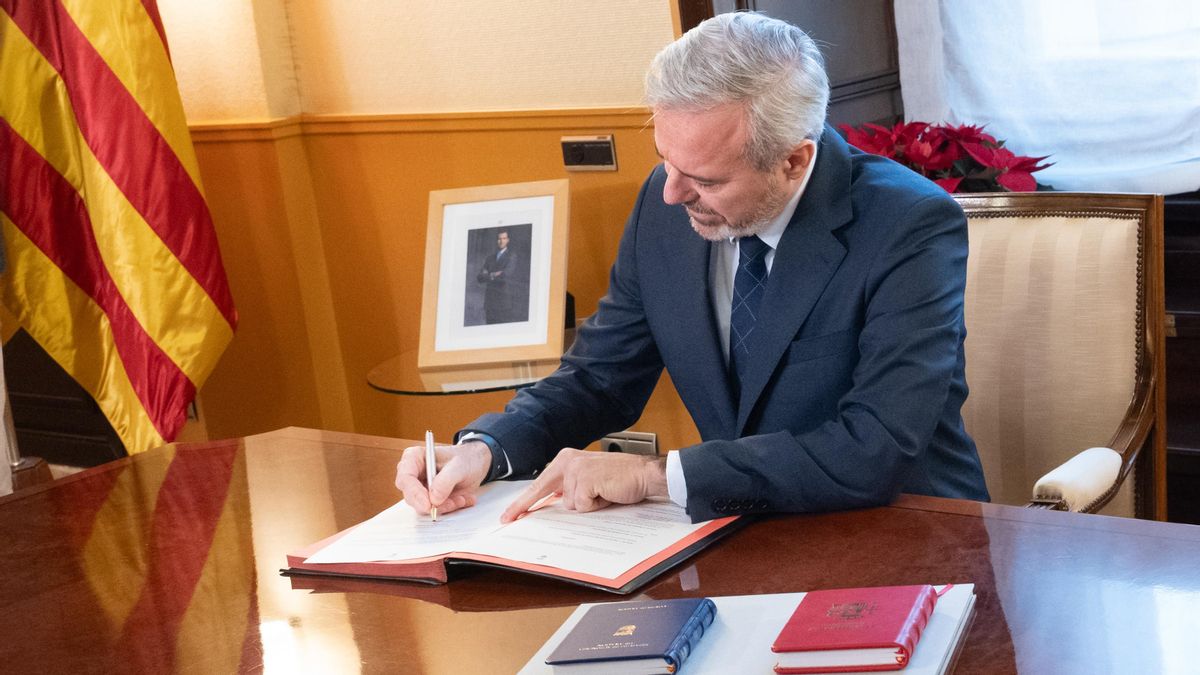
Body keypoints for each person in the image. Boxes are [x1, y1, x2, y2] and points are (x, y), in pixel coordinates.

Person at [397, 12, 989, 523]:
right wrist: (488, 448)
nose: (672, 194)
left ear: (793, 160)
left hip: (905, 532)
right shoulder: (667, 203)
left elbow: (877, 447)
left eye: (706, 179)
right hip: (739, 532)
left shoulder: (909, 225)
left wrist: (660, 475)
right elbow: (598, 377)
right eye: (665, 160)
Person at [476, 229, 520, 324]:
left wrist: (488, 274)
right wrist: (494, 274)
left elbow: (506, 274)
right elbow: (479, 277)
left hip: (503, 301)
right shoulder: (490, 258)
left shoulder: (511, 256)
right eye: (499, 239)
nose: (501, 241)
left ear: (508, 240)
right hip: (490, 302)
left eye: (504, 238)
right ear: (497, 240)